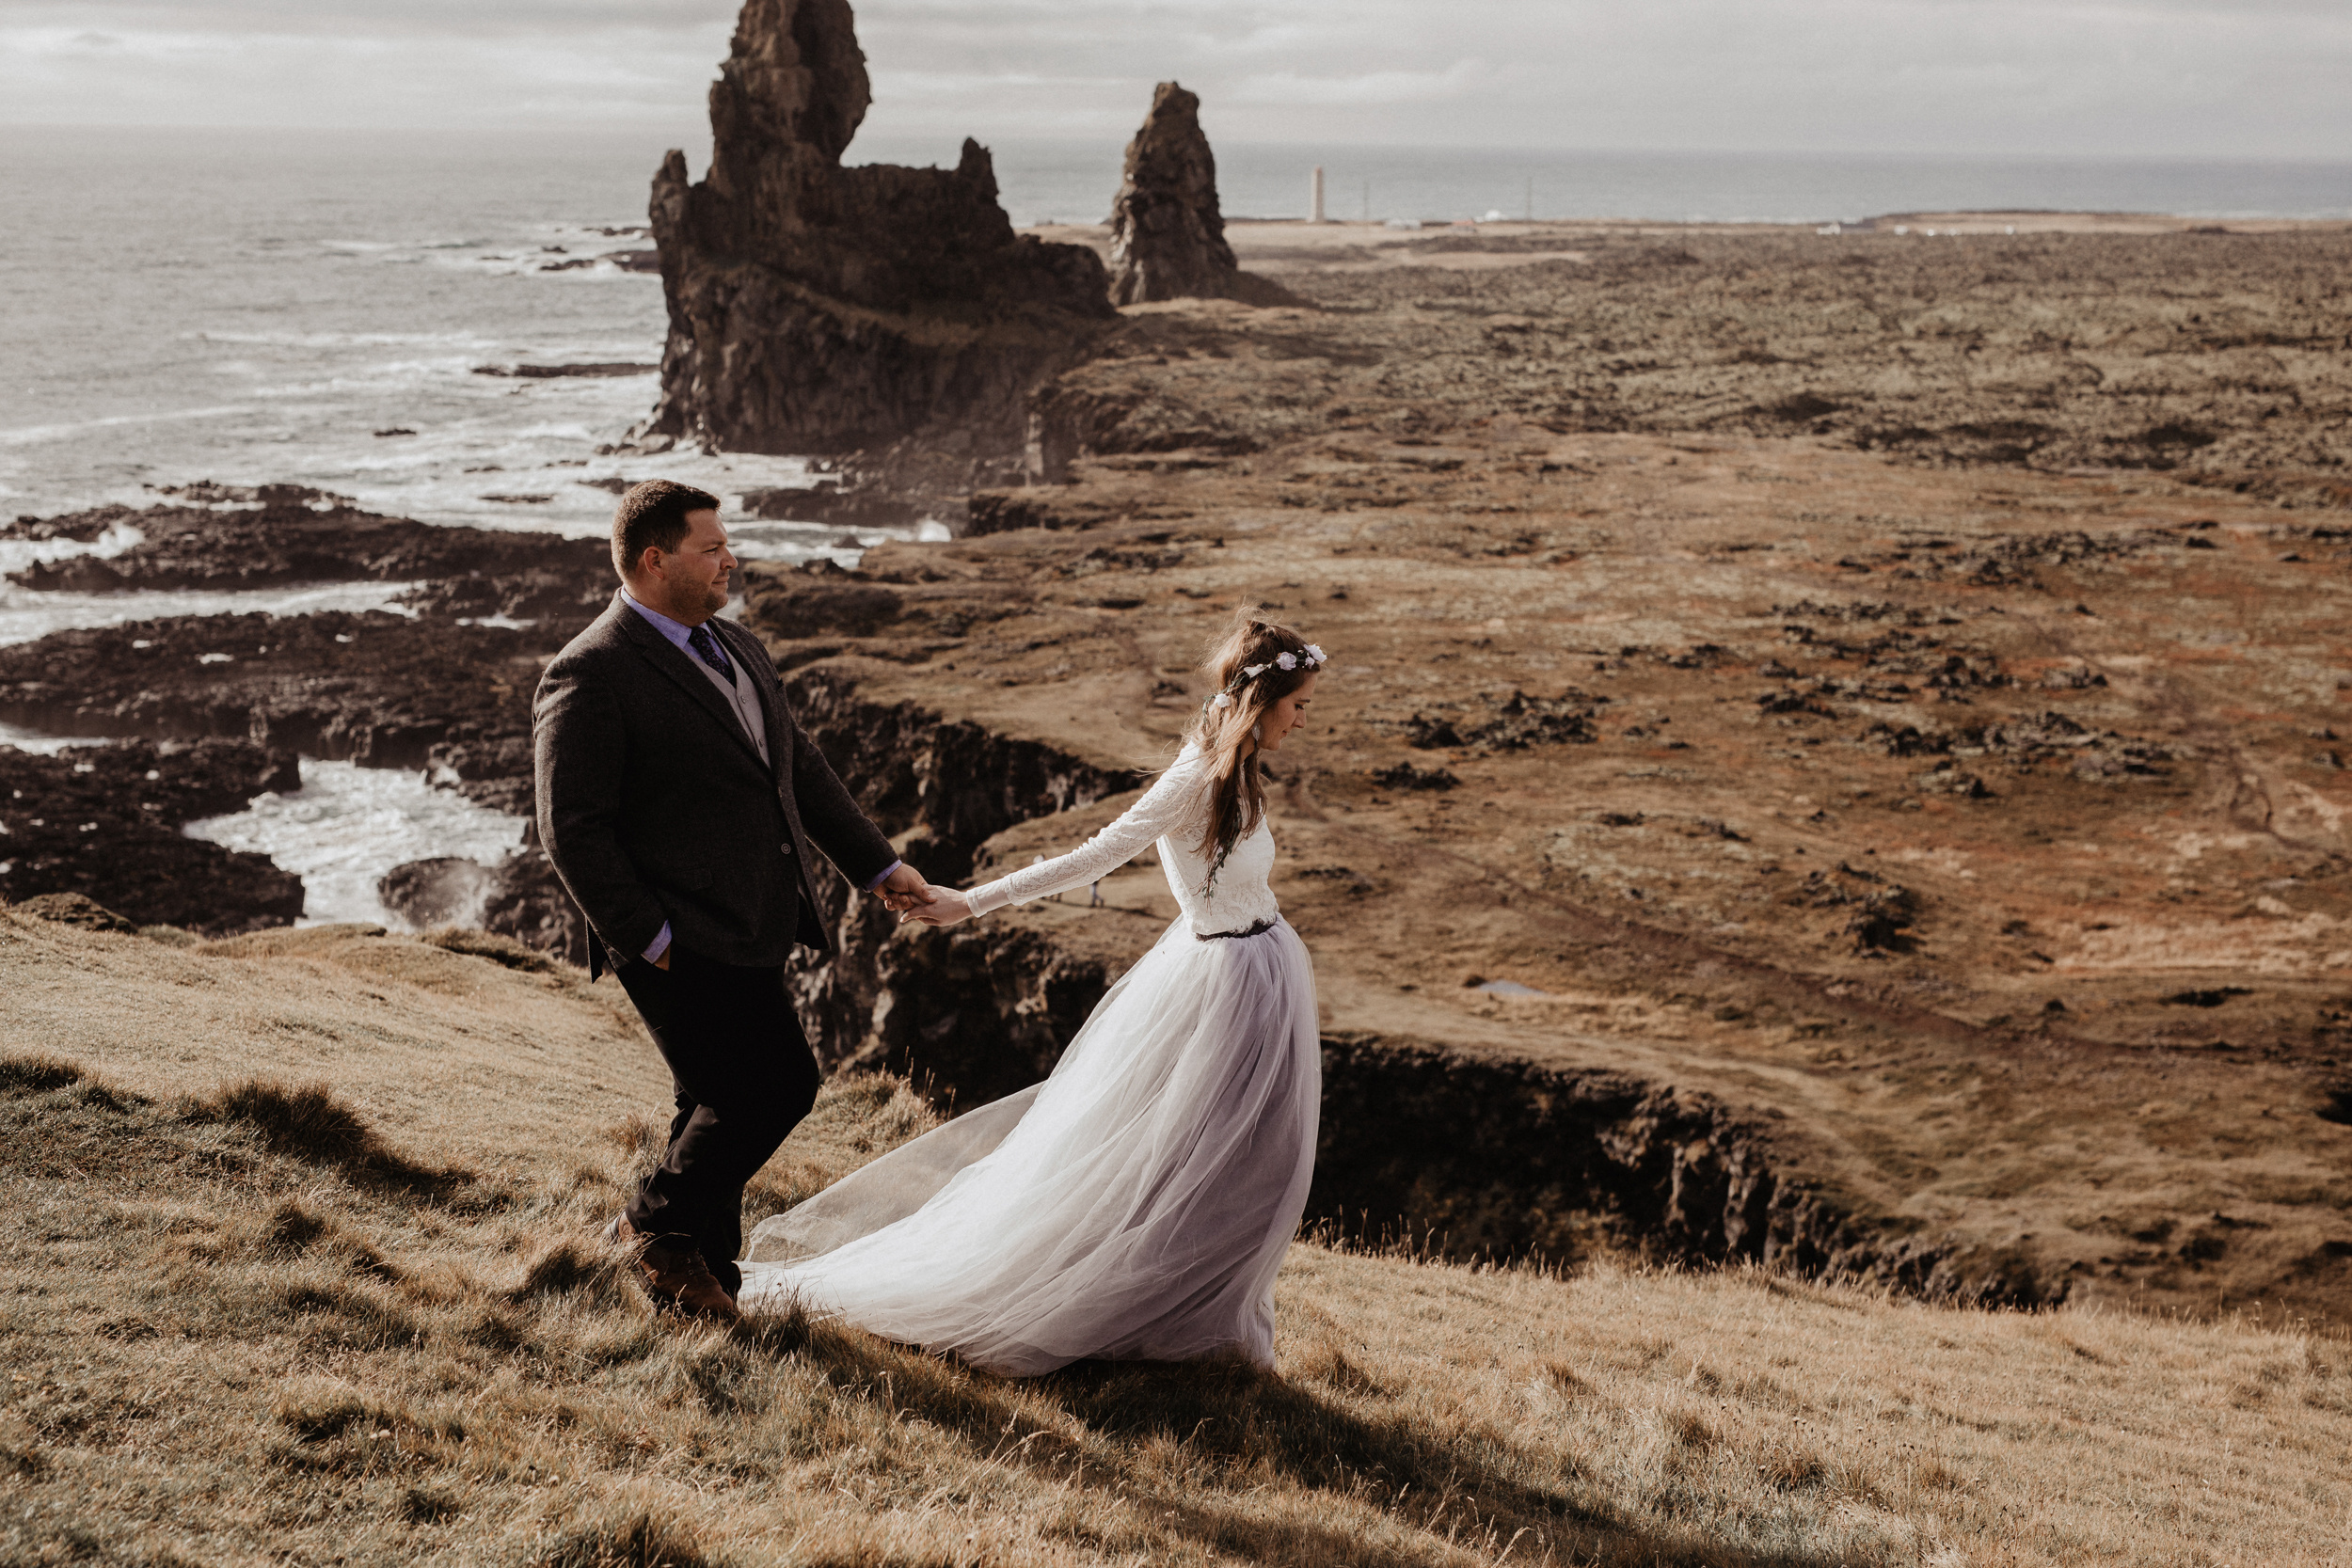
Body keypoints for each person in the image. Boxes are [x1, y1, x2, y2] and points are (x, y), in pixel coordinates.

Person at [736, 609, 1327, 1376]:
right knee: (1197, 1162)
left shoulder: (1239, 761)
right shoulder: (1191, 778)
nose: (1305, 719)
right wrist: (972, 901)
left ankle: (1218, 1324)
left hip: (1265, 973)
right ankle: (1156, 1321)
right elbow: (1094, 856)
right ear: (1260, 702)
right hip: (1221, 983)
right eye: (1299, 703)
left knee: (1254, 1164)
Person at [532, 479, 934, 1322]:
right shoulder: (590, 670)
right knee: (778, 1085)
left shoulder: (738, 647)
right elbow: (571, 826)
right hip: (675, 934)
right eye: (712, 548)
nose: (731, 560)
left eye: (727, 545)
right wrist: (650, 935)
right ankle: (656, 1226)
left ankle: (702, 1285)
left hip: (753, 920)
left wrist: (875, 864)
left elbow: (799, 767)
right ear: (655, 559)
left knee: (711, 1099)